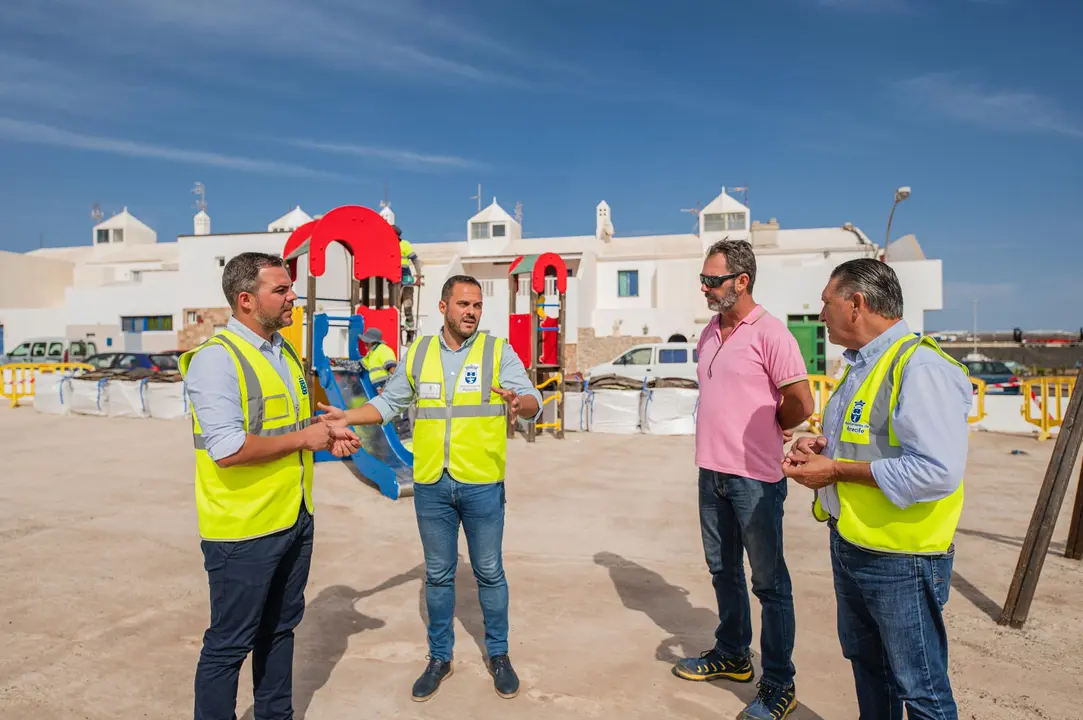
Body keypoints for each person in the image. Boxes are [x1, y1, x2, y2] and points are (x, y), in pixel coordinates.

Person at [317, 274, 542, 702]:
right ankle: (440, 657)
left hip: (481, 482)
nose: (471, 312)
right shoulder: (419, 352)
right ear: (443, 307)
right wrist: (347, 417)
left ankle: (499, 654)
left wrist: (520, 402)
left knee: (489, 572)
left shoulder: (497, 351)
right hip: (432, 484)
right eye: (463, 304)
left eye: (477, 305)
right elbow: (389, 403)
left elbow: (531, 400)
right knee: (438, 575)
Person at [783, 258, 971, 720]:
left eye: (827, 304)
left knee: (921, 690)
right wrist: (819, 446)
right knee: (870, 669)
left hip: (901, 559)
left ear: (856, 304)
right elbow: (864, 439)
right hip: (852, 543)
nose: (821, 314)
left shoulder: (919, 366)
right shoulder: (861, 366)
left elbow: (936, 471)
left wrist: (836, 471)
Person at [181, 252, 360, 720]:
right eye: (280, 290)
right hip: (242, 531)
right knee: (229, 645)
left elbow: (290, 428)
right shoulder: (216, 361)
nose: (292, 297)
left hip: (294, 517)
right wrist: (305, 438)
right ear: (245, 300)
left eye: (290, 288)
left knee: (280, 630)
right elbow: (227, 448)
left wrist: (327, 438)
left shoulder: (283, 353)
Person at [673, 239, 815, 720]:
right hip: (710, 472)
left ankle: (778, 683)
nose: (705, 288)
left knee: (770, 584)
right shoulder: (709, 333)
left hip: (755, 478)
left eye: (713, 280)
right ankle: (733, 654)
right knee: (722, 571)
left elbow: (801, 400)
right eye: (703, 279)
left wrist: (776, 424)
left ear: (742, 281)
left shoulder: (772, 333)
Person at [394, 224, 423, 329]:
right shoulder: (385, 245)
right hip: (393, 278)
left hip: (406, 275)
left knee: (408, 304)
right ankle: (395, 326)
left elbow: (415, 260)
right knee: (395, 306)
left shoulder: (405, 244)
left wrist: (419, 276)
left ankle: (410, 330)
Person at [359, 327, 397, 393]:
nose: (365, 343)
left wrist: (386, 388)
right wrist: (338, 362)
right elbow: (358, 366)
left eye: (367, 341)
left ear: (373, 341)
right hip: (379, 386)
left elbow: (393, 371)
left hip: (385, 386)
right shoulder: (372, 353)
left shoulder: (383, 350)